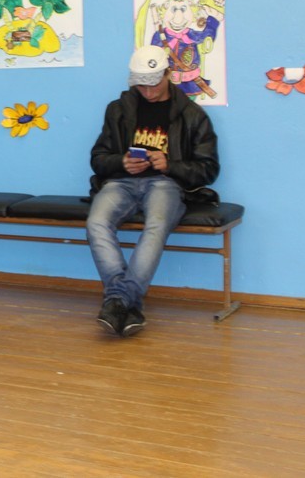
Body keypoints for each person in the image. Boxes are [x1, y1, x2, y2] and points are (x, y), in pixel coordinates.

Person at [86, 45, 219, 337]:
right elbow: (98, 158)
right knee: (96, 222)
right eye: (141, 86)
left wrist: (170, 165)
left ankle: (118, 300)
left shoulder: (193, 115)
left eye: (153, 84)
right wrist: (121, 162)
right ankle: (127, 304)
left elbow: (208, 169)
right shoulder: (118, 110)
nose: (147, 92)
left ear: (168, 74)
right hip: (121, 182)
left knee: (156, 225)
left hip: (166, 183)